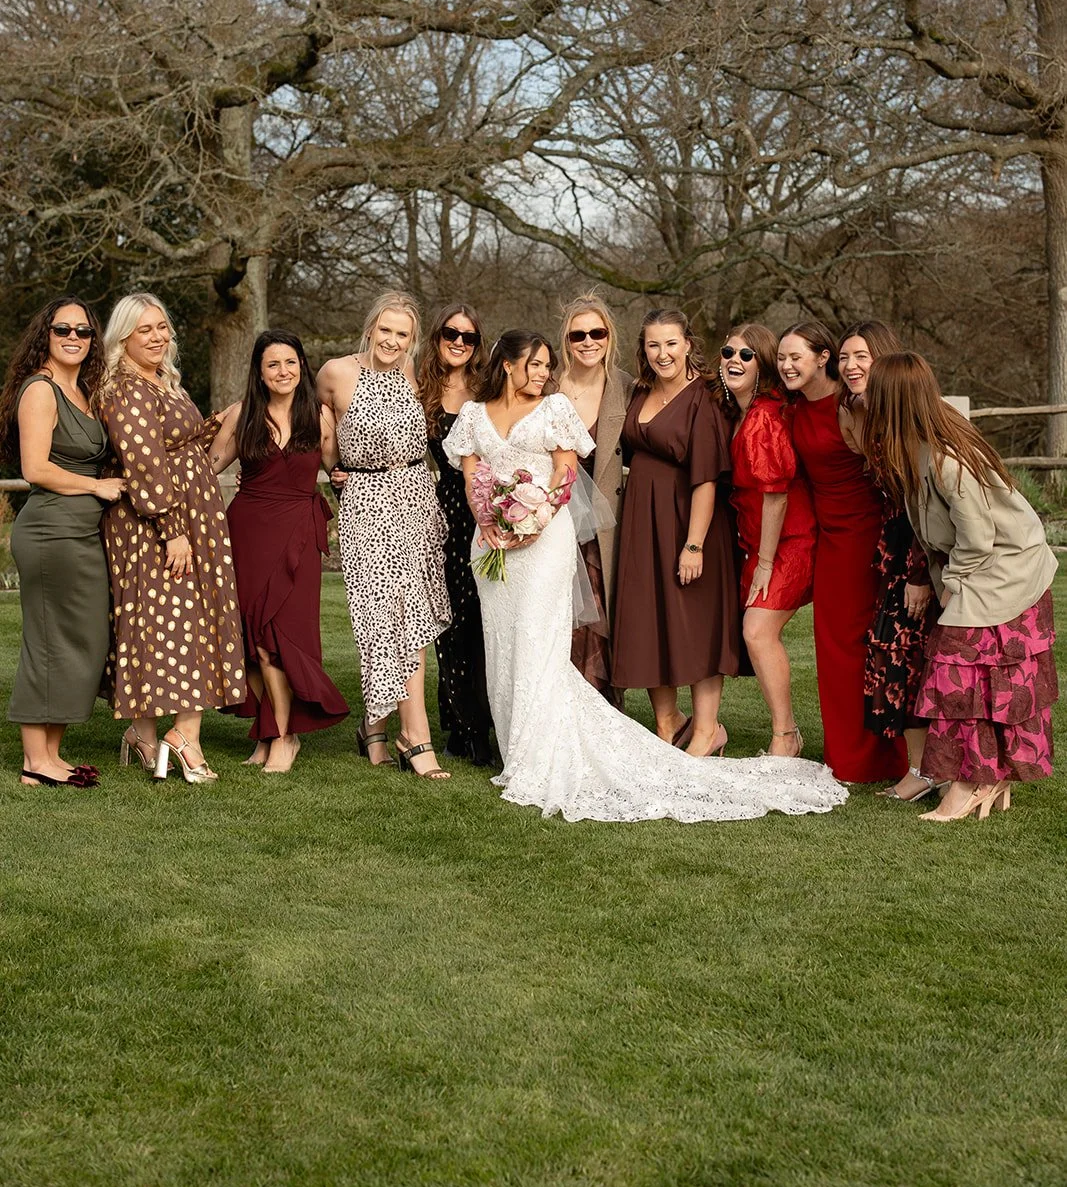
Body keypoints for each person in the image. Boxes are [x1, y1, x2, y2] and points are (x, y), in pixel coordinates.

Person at [444, 329, 847, 822]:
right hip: (492, 543)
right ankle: (516, 747)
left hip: (542, 538)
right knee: (501, 641)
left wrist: (531, 521)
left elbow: (566, 474)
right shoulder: (471, 417)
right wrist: (492, 521)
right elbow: (471, 476)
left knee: (536, 642)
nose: (544, 374)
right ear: (506, 365)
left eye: (548, 366)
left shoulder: (554, 411)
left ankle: (542, 753)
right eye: (534, 364)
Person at [863, 352, 1058, 822]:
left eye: (873, 392)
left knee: (959, 682)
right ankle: (987, 782)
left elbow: (977, 538)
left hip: (1002, 572)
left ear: (893, 400)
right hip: (981, 572)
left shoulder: (947, 460)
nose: (864, 399)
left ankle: (969, 785)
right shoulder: (915, 447)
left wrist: (950, 585)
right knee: (977, 684)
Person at [99, 293, 245, 782]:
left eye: (163, 327)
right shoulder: (124, 388)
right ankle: (184, 738)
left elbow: (176, 446)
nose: (159, 337)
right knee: (176, 624)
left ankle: (142, 734)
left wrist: (217, 422)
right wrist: (173, 530)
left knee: (164, 622)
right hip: (156, 526)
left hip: (188, 517)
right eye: (146, 330)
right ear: (123, 338)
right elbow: (144, 462)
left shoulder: (162, 381)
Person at [317, 291, 452, 778]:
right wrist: (335, 472)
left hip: (416, 499)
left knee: (410, 616)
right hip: (367, 504)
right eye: (386, 330)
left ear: (412, 341)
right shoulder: (335, 373)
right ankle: (406, 733)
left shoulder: (412, 376)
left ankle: (381, 726)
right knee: (379, 617)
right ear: (370, 327)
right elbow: (317, 433)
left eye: (403, 334)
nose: (392, 341)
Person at [212, 330, 349, 775]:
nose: (283, 372)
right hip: (247, 531)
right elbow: (209, 466)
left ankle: (285, 737)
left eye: (290, 363)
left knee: (280, 639)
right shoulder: (241, 415)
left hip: (298, 535)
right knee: (252, 641)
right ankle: (270, 732)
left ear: (301, 366)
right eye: (273, 364)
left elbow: (339, 469)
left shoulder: (320, 417)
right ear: (259, 371)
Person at [0, 300, 124, 787]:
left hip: (82, 533)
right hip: (51, 532)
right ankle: (35, 760)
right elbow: (35, 470)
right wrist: (96, 487)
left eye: (84, 331)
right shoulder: (40, 390)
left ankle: (51, 753)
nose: (74, 336)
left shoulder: (84, 389)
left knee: (83, 641)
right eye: (62, 329)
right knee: (49, 642)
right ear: (45, 335)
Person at [778, 321, 907, 784]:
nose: (787, 364)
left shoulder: (857, 406)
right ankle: (847, 757)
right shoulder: (791, 408)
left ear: (821, 357)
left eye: (796, 356)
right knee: (833, 648)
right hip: (829, 538)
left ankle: (888, 758)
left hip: (868, 533)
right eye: (782, 357)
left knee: (872, 645)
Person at [611, 309, 742, 756]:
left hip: (690, 521)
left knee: (697, 623)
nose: (662, 353)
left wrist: (694, 544)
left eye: (670, 343)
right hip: (642, 522)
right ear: (643, 349)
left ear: (687, 343)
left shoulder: (704, 395)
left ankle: (708, 730)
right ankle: (668, 725)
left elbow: (706, 477)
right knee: (650, 620)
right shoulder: (640, 390)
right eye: (653, 344)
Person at [838, 321, 936, 801]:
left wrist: (919, 574)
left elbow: (924, 501)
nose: (851, 366)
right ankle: (920, 768)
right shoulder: (868, 414)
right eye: (844, 358)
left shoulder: (907, 419)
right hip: (892, 552)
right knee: (895, 657)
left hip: (921, 554)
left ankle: (928, 771)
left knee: (911, 658)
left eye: (861, 357)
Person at [719, 323, 815, 757]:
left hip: (789, 540)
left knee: (758, 631)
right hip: (759, 542)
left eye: (746, 355)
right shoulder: (737, 411)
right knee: (755, 633)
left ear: (763, 364)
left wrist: (764, 562)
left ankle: (785, 735)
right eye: (728, 352)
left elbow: (775, 495)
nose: (733, 361)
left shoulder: (762, 416)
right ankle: (785, 734)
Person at [417, 303, 493, 765]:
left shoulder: (488, 391)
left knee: (485, 620)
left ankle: (487, 720)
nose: (460, 342)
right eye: (452, 333)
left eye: (469, 337)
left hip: (486, 509)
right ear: (437, 335)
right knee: (450, 621)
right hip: (441, 512)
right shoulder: (417, 387)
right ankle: (461, 727)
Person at [557, 294, 634, 703]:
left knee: (601, 614)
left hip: (604, 520)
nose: (588, 342)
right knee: (559, 617)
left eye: (597, 333)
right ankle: (559, 712)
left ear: (609, 336)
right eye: (578, 335)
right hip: (551, 517)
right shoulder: (546, 384)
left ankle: (603, 709)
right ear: (566, 340)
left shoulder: (626, 387)